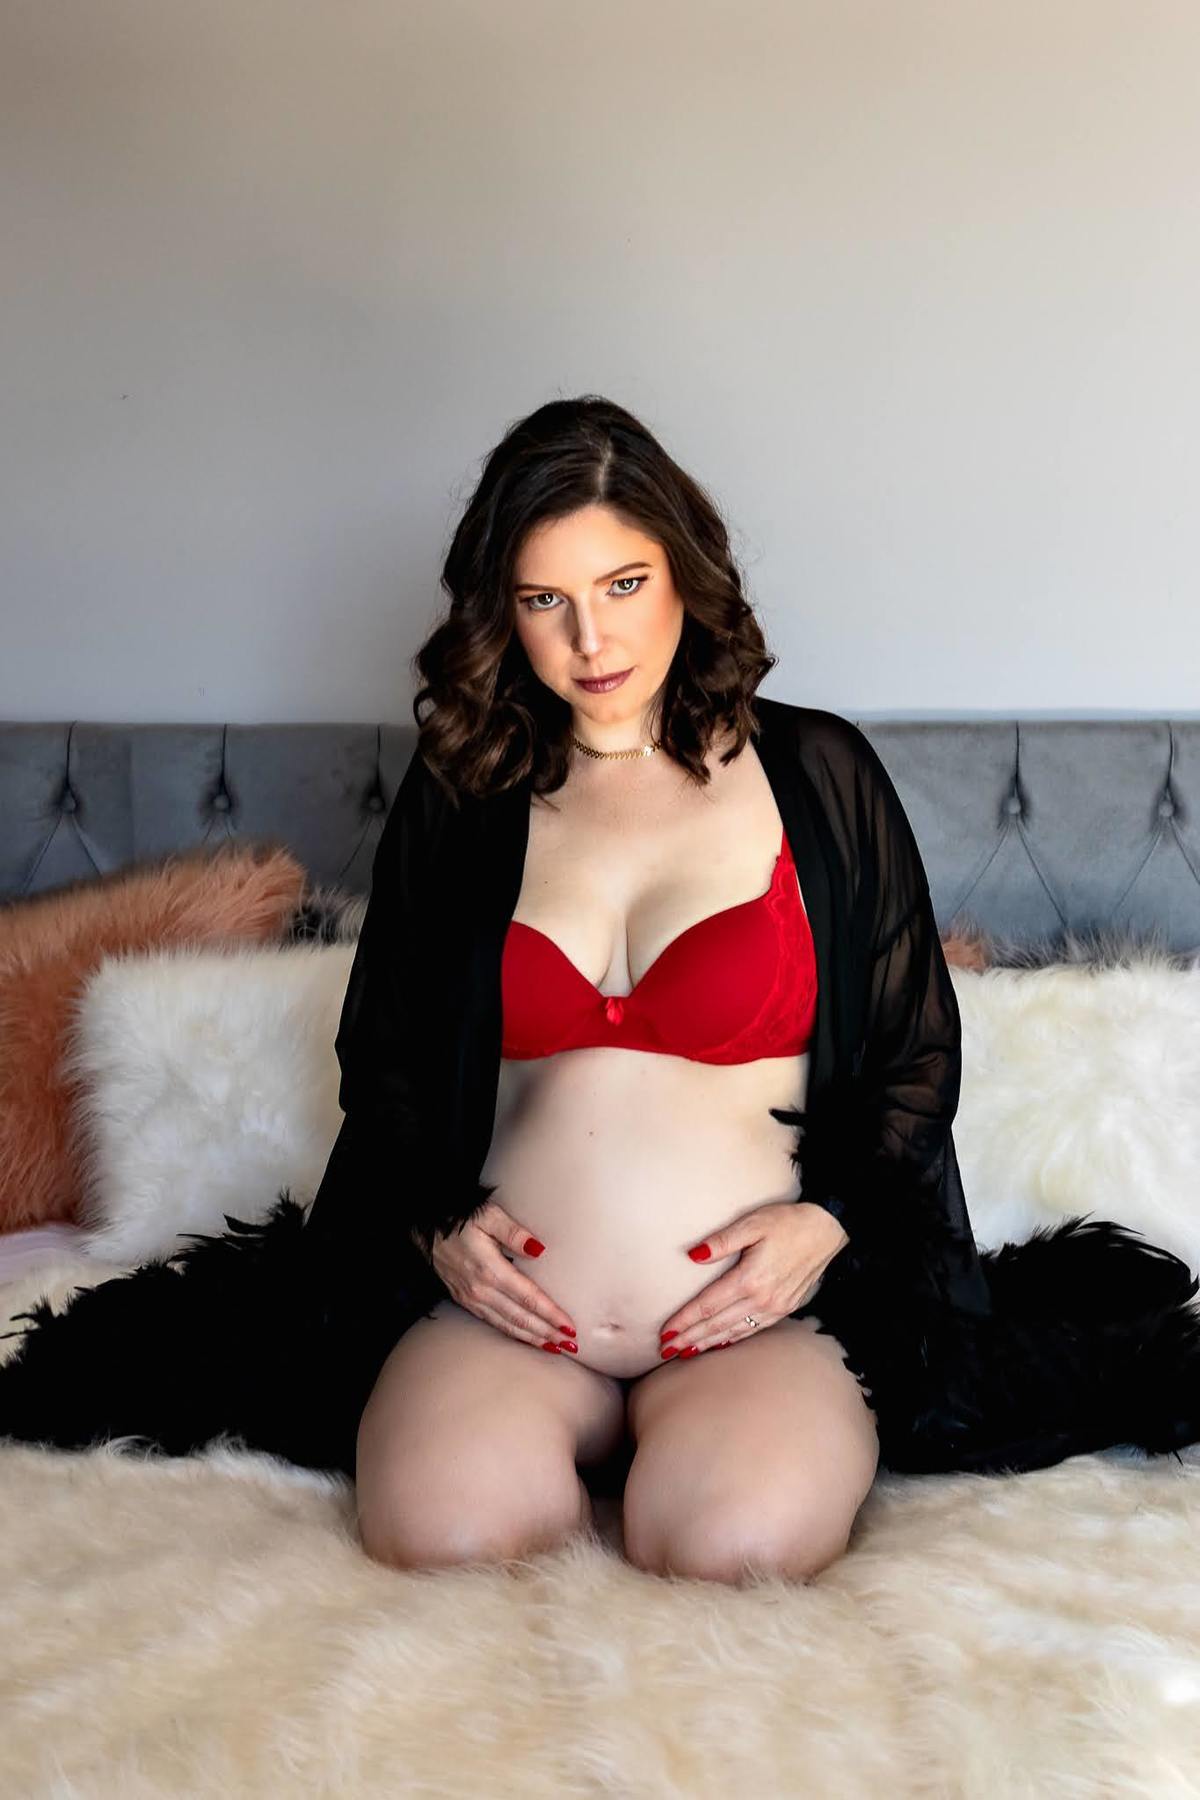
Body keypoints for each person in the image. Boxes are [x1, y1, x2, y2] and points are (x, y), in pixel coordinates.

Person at [3, 395, 1199, 1587]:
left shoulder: (815, 771)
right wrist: (439, 1228)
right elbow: (389, 1054)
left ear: (686, 572)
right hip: (512, 1320)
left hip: (756, 1320)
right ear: (502, 611)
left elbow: (913, 1054)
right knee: (439, 1535)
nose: (591, 639)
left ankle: (700, 1446)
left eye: (624, 584)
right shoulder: (465, 791)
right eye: (545, 600)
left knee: (732, 1547)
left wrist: (825, 1224)